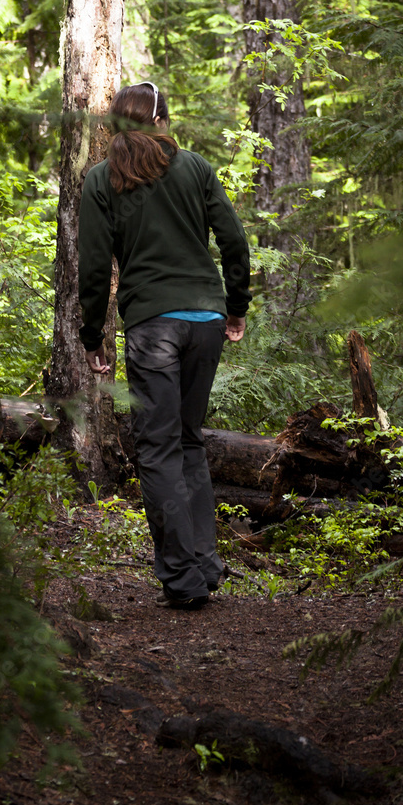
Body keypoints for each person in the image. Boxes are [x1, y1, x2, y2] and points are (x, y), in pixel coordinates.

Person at [78, 81, 251, 611]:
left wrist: (92, 335)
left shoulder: (103, 180)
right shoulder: (194, 166)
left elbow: (91, 268)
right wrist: (236, 305)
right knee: (188, 440)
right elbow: (234, 239)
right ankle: (204, 565)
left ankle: (182, 579)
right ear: (162, 121)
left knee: (157, 450)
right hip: (204, 319)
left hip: (153, 324)